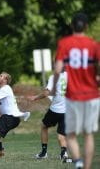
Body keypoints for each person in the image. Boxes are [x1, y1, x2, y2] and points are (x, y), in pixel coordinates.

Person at [52, 13, 100, 169]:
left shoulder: (64, 43)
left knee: (71, 135)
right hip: (92, 95)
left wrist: (53, 87)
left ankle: (78, 161)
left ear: (72, 26)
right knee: (88, 135)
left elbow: (58, 68)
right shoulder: (93, 44)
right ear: (86, 26)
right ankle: (86, 167)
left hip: (73, 96)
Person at [0, 72, 31, 160]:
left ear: (5, 80)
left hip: (10, 117)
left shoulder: (6, 88)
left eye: (1, 76)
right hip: (12, 118)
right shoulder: (0, 91)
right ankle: (0, 150)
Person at [27, 71, 69, 160]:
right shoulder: (72, 75)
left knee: (44, 126)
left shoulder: (54, 77)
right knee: (61, 133)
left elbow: (46, 93)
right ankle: (64, 153)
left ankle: (44, 152)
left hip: (56, 109)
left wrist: (35, 97)